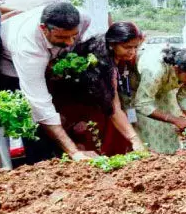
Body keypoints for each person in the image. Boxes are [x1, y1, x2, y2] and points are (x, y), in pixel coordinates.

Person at [0, 3, 92, 163]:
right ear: (43, 28)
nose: (70, 42)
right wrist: (74, 152)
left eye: (73, 35)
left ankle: (62, 151)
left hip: (48, 58)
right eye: (62, 37)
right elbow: (39, 103)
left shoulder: (83, 17)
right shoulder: (27, 47)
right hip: (10, 67)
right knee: (32, 120)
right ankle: (41, 163)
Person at [54, 22, 145, 156]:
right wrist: (135, 139)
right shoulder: (103, 64)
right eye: (127, 47)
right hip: (82, 108)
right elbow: (113, 107)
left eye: (135, 47)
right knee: (92, 146)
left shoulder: (117, 54)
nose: (132, 52)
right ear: (113, 44)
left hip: (102, 107)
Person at [135, 47, 186, 154]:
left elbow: (185, 96)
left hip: (163, 90)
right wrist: (175, 120)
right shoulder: (155, 70)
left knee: (169, 132)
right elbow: (142, 103)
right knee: (150, 133)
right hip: (139, 90)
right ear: (176, 69)